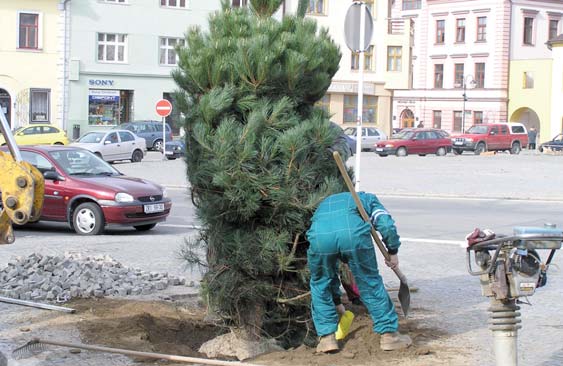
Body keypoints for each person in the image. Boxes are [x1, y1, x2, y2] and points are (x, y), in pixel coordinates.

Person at [306, 192, 412, 353]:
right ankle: (389, 336)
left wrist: (337, 302)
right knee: (369, 282)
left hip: (320, 238)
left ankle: (327, 339)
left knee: (321, 283)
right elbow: (385, 224)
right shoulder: (367, 199)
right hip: (353, 236)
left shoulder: (325, 203)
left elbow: (330, 278)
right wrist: (393, 250)